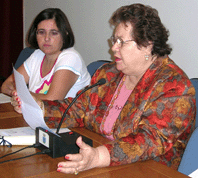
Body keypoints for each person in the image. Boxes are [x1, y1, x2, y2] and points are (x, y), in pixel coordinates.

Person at [11, 3, 196, 175]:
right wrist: (38, 106)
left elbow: (148, 142)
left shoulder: (175, 86)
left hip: (145, 170)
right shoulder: (108, 74)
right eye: (114, 40)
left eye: (121, 42)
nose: (113, 47)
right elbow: (77, 110)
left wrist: (97, 156)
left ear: (147, 45)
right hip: (96, 163)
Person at [1, 8, 91, 100]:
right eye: (41, 32)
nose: (46, 38)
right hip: (36, 113)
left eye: (54, 33)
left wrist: (20, 94)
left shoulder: (71, 57)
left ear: (65, 34)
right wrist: (17, 93)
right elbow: (6, 86)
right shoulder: (37, 55)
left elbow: (52, 100)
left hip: (63, 114)